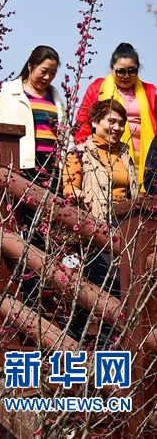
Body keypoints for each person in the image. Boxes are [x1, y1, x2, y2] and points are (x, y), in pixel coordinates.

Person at [0, 46, 65, 302]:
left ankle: (39, 286)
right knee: (24, 224)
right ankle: (24, 285)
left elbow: (65, 133)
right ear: (30, 65)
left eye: (52, 73)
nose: (47, 78)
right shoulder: (8, 92)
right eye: (44, 71)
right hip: (22, 164)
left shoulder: (56, 97)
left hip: (51, 167)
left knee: (45, 228)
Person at [62, 99, 136, 344]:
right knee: (105, 286)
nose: (117, 128)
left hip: (124, 229)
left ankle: (101, 341)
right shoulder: (79, 153)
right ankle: (88, 341)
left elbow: (134, 192)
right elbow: (70, 187)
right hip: (94, 226)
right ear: (95, 123)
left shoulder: (126, 153)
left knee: (117, 287)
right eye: (111, 121)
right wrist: (76, 196)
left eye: (121, 123)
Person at [74, 43, 156, 186]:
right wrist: (84, 148)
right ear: (112, 68)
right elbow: (82, 122)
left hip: (145, 160)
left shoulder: (149, 91)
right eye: (121, 71)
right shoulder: (97, 88)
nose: (126, 76)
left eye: (132, 71)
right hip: (106, 158)